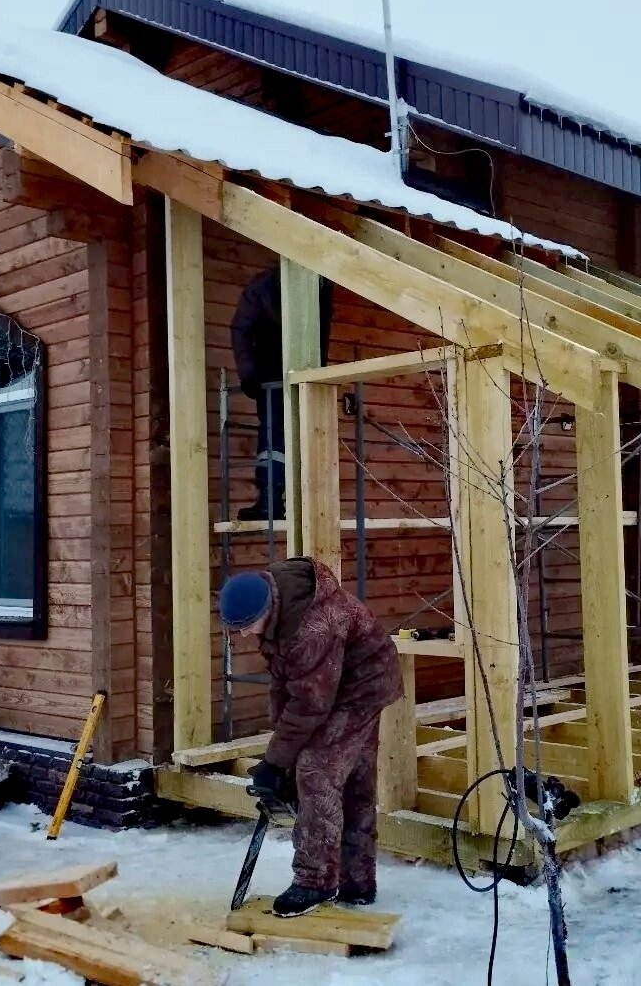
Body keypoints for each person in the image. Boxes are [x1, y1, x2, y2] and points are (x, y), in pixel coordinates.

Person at [218, 557, 403, 918]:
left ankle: (315, 882)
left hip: (361, 688)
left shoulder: (312, 628)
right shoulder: (278, 607)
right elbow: (285, 681)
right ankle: (357, 882)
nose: (242, 635)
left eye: (244, 627)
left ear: (265, 608)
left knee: (316, 772)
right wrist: (278, 752)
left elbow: (310, 704)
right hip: (335, 684)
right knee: (349, 780)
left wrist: (277, 761)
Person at [230, 267, 333, 521]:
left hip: (304, 371)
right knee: (275, 433)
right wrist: (250, 374)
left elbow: (321, 330)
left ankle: (296, 502)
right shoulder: (265, 285)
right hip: (271, 371)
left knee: (301, 434)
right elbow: (241, 329)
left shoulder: (322, 283)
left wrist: (320, 372)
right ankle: (270, 500)